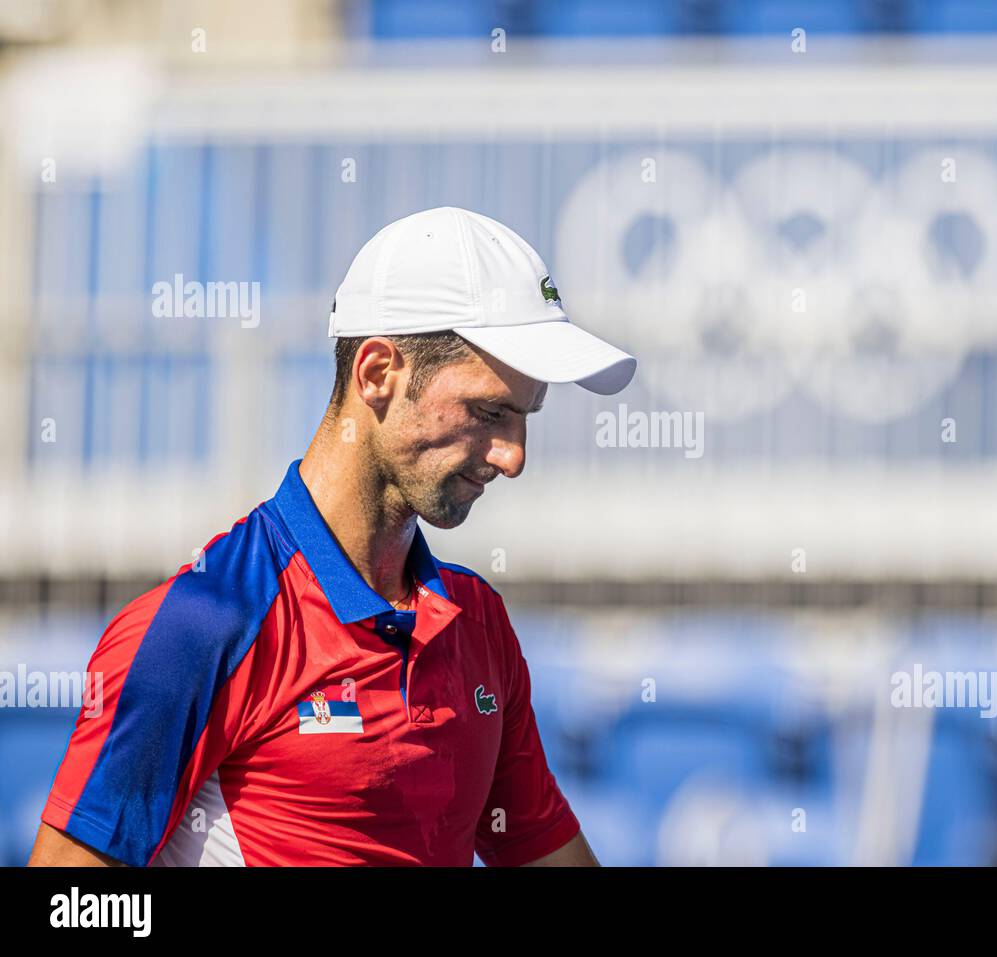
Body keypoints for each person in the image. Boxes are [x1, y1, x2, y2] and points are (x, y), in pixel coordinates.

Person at [28, 207, 636, 866]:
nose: (514, 455)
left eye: (524, 417)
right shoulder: (200, 627)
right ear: (377, 373)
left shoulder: (478, 623)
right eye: (489, 411)